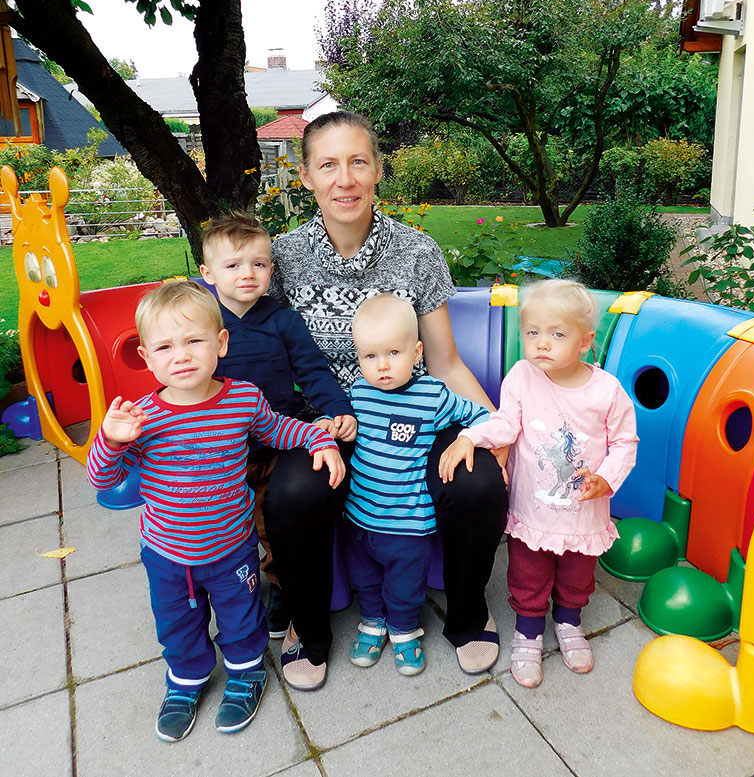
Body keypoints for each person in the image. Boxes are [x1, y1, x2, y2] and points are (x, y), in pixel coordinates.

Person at [267, 109, 509, 691]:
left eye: (358, 162)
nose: (344, 179)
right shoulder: (281, 258)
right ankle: (309, 624)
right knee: (292, 490)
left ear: (378, 169)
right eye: (328, 165)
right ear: (305, 176)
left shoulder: (416, 252)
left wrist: (495, 432)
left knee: (479, 480)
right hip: (324, 427)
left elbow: (446, 362)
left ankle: (469, 613)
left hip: (413, 414)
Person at [86, 281, 344, 742]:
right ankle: (185, 682)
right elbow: (103, 482)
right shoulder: (142, 418)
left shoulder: (242, 399)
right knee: (177, 623)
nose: (181, 355)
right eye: (165, 346)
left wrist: (317, 437)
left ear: (220, 343)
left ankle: (246, 675)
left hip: (231, 549)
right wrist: (110, 440)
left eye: (194, 341)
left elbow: (277, 431)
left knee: (242, 617)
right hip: (168, 555)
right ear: (146, 357)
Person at [439, 279, 638, 689]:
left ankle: (569, 622)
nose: (542, 344)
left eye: (557, 334)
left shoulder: (607, 391)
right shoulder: (521, 378)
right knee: (528, 573)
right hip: (533, 509)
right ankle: (528, 631)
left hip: (583, 511)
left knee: (578, 574)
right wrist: (469, 437)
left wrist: (607, 477)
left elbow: (624, 442)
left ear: (585, 342)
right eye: (532, 333)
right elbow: (506, 423)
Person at [199, 215, 356, 637]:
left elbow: (313, 371)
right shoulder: (202, 323)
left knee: (274, 520)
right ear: (207, 273)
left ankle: (281, 587)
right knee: (224, 525)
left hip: (279, 440)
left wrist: (339, 408)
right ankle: (231, 594)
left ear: (272, 269)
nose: (247, 274)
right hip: (220, 444)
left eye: (259, 264)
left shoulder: (282, 321)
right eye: (233, 265)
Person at [324, 294, 489, 676]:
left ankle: (402, 629)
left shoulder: (432, 396)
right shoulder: (359, 394)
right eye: (370, 356)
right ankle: (372, 622)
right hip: (361, 516)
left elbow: (480, 415)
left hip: (407, 522)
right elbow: (343, 429)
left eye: (393, 353)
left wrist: (468, 439)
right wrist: (330, 427)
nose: (381, 366)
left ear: (416, 352)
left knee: (404, 583)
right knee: (365, 579)